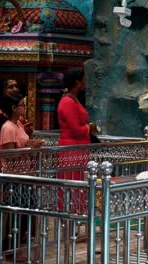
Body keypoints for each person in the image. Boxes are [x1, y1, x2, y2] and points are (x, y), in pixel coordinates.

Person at [0, 93, 42, 262]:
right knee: (15, 211)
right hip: (14, 176)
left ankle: (18, 245)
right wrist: (30, 147)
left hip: (24, 174)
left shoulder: (19, 125)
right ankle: (10, 249)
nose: (24, 107)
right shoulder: (8, 127)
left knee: (28, 207)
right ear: (14, 108)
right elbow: (10, 154)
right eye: (22, 105)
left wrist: (31, 143)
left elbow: (23, 143)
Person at [57, 68, 97, 215]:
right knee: (72, 183)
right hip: (71, 149)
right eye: (84, 79)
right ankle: (69, 218)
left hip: (78, 149)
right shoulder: (67, 101)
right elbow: (75, 129)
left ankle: (77, 218)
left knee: (79, 183)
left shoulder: (73, 100)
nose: (86, 82)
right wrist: (90, 127)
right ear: (77, 82)